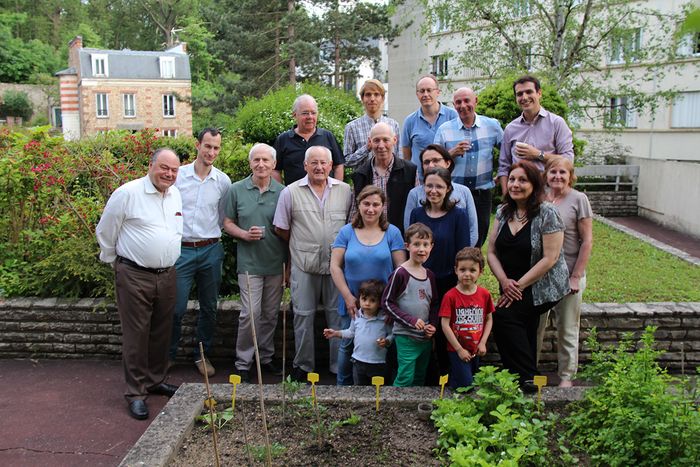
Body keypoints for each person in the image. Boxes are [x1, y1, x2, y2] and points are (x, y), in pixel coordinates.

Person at [95, 148, 182, 420]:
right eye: (164, 168)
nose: (169, 174)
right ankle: (135, 393)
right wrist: (116, 263)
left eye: (174, 170)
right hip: (134, 275)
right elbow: (106, 230)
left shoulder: (175, 194)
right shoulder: (127, 193)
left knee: (161, 332)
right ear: (151, 166)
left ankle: (155, 380)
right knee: (136, 335)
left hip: (167, 274)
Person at [487, 161, 570, 393]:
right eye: (512, 179)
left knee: (504, 316)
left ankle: (528, 378)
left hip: (542, 286)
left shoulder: (548, 212)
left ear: (534, 184)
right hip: (511, 284)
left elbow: (550, 258)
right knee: (523, 325)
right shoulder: (504, 211)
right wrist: (504, 281)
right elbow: (491, 252)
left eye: (522, 180)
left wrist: (519, 286)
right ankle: (520, 380)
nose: (515, 184)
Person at [273, 145, 352, 381]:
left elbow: (349, 227)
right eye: (314, 163)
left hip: (335, 267)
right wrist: (303, 244)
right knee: (303, 316)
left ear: (331, 166)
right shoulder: (290, 192)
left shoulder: (345, 191)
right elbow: (281, 228)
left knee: (337, 317)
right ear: (305, 165)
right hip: (303, 265)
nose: (319, 167)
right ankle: (303, 367)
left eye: (323, 163)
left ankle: (338, 367)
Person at [169, 128, 231, 377]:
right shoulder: (179, 176)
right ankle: (168, 355)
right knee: (176, 308)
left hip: (210, 249)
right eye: (207, 146)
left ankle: (201, 355)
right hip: (181, 250)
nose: (211, 152)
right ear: (197, 145)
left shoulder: (223, 181)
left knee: (209, 307)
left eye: (216, 148)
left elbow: (223, 216)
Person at [223, 143, 287, 383]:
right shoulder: (236, 190)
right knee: (249, 314)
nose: (261, 164)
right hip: (249, 263)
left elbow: (289, 229)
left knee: (270, 314)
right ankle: (243, 362)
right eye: (256, 160)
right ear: (250, 163)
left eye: (265, 161)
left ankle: (266, 357)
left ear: (273, 165)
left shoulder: (283, 192)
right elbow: (227, 222)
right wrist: (243, 234)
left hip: (275, 263)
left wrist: (289, 265)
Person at [330, 185, 406, 385]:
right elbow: (335, 266)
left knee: (386, 344)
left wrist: (392, 302)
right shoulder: (347, 232)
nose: (370, 209)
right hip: (353, 301)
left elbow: (401, 270)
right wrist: (347, 296)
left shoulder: (392, 232)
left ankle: (385, 387)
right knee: (347, 344)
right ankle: (342, 387)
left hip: (384, 303)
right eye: (366, 204)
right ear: (358, 205)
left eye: (375, 204)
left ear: (383, 207)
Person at [409, 167, 474, 380]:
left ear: (448, 189)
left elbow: (464, 252)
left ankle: (448, 376)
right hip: (421, 282)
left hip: (448, 282)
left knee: (446, 331)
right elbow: (413, 249)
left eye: (439, 186)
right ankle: (425, 377)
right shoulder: (417, 214)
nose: (433, 190)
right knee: (422, 330)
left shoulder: (458, 215)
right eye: (429, 185)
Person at [537, 156, 593, 387]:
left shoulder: (579, 199)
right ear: (546, 175)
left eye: (563, 173)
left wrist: (575, 276)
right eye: (553, 172)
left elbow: (587, 241)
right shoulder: (539, 199)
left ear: (570, 176)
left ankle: (566, 376)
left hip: (569, 275)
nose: (557, 177)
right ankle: (530, 370)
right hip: (541, 276)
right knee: (535, 328)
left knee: (568, 327)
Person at [434, 87, 503, 247]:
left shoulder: (492, 126)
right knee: (452, 236)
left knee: (478, 236)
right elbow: (433, 161)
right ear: (453, 105)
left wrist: (503, 173)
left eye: (467, 101)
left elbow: (507, 153)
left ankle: (472, 270)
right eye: (458, 102)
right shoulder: (445, 130)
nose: (463, 105)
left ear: (475, 101)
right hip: (454, 194)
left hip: (482, 194)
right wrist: (451, 153)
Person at [382, 222, 439, 387]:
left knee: (420, 377)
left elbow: (434, 304)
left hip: (425, 338)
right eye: (417, 244)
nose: (421, 249)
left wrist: (433, 325)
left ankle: (415, 411)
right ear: (407, 246)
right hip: (406, 336)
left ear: (431, 247)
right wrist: (411, 321)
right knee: (405, 377)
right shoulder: (400, 274)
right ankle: (394, 410)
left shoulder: (430, 275)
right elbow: (386, 303)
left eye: (426, 245)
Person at [498, 75, 574, 194]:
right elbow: (504, 167)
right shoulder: (510, 129)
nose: (524, 97)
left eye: (529, 92)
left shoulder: (556, 123)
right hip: (519, 192)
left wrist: (538, 154)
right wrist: (506, 196)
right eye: (519, 94)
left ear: (539, 93)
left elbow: (568, 160)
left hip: (549, 190)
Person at [439, 247, 495, 390]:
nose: (467, 274)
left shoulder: (484, 294)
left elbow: (489, 319)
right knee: (465, 384)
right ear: (456, 270)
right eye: (462, 270)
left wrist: (483, 342)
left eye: (472, 270)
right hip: (457, 349)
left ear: (480, 272)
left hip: (476, 348)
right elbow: (444, 324)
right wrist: (459, 349)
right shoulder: (450, 296)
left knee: (473, 380)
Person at [403, 144, 477, 246]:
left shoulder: (464, 192)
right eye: (426, 162)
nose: (431, 165)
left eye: (435, 160)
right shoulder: (414, 194)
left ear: (447, 163)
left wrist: (462, 257)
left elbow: (472, 231)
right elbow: (409, 230)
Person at [323, 279, 393, 386]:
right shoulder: (357, 316)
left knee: (378, 391)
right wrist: (336, 333)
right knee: (359, 389)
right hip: (358, 361)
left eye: (372, 300)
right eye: (364, 299)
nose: (367, 303)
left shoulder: (383, 319)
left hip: (378, 363)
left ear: (379, 303)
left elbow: (392, 334)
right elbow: (351, 332)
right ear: (359, 298)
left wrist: (387, 341)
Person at [351, 122, 417, 234]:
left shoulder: (410, 171)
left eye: (386, 140)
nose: (381, 146)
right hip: (369, 237)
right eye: (376, 140)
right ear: (370, 142)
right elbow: (355, 211)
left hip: (401, 236)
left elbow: (416, 208)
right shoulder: (360, 174)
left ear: (394, 140)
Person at [273, 94, 344, 185]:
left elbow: (338, 165)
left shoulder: (327, 136)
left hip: (325, 196)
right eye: (305, 113)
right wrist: (283, 192)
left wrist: (336, 189)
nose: (310, 117)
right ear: (294, 115)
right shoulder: (283, 139)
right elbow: (275, 170)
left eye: (313, 113)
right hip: (295, 196)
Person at [401, 74, 458, 179]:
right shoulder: (410, 121)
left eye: (429, 90)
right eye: (422, 91)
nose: (425, 94)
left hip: (448, 181)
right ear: (417, 94)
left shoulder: (453, 116)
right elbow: (406, 157)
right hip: (420, 182)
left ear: (438, 92)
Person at [343, 79, 400, 169]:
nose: (372, 99)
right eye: (368, 95)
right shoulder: (352, 127)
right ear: (362, 98)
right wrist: (366, 149)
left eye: (376, 94)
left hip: (390, 180)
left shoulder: (393, 125)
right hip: (363, 181)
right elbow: (346, 161)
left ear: (383, 98)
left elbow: (398, 156)